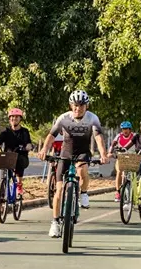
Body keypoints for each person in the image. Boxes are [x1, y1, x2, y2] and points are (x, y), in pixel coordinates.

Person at [38, 90, 109, 238]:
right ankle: (55, 223)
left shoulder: (92, 118)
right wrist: (44, 149)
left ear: (86, 106)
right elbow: (51, 135)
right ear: (71, 106)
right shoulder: (64, 118)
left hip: (83, 152)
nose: (78, 108)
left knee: (82, 171)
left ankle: (83, 193)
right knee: (59, 191)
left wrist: (103, 154)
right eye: (75, 105)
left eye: (82, 105)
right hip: (66, 153)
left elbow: (98, 137)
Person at [0, 108, 32, 197]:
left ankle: (19, 184)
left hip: (21, 157)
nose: (14, 118)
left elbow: (28, 142)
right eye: (12, 117)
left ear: (20, 119)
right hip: (8, 157)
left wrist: (28, 147)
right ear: (9, 119)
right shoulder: (6, 131)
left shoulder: (24, 131)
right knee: (2, 164)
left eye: (16, 117)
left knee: (19, 161)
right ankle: (2, 190)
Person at [110, 121, 137, 202]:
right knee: (119, 172)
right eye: (123, 129)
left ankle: (134, 191)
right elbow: (113, 145)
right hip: (121, 158)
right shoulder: (119, 136)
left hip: (132, 158)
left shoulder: (134, 136)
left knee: (134, 175)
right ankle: (118, 192)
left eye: (126, 129)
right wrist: (110, 152)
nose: (125, 130)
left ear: (130, 129)